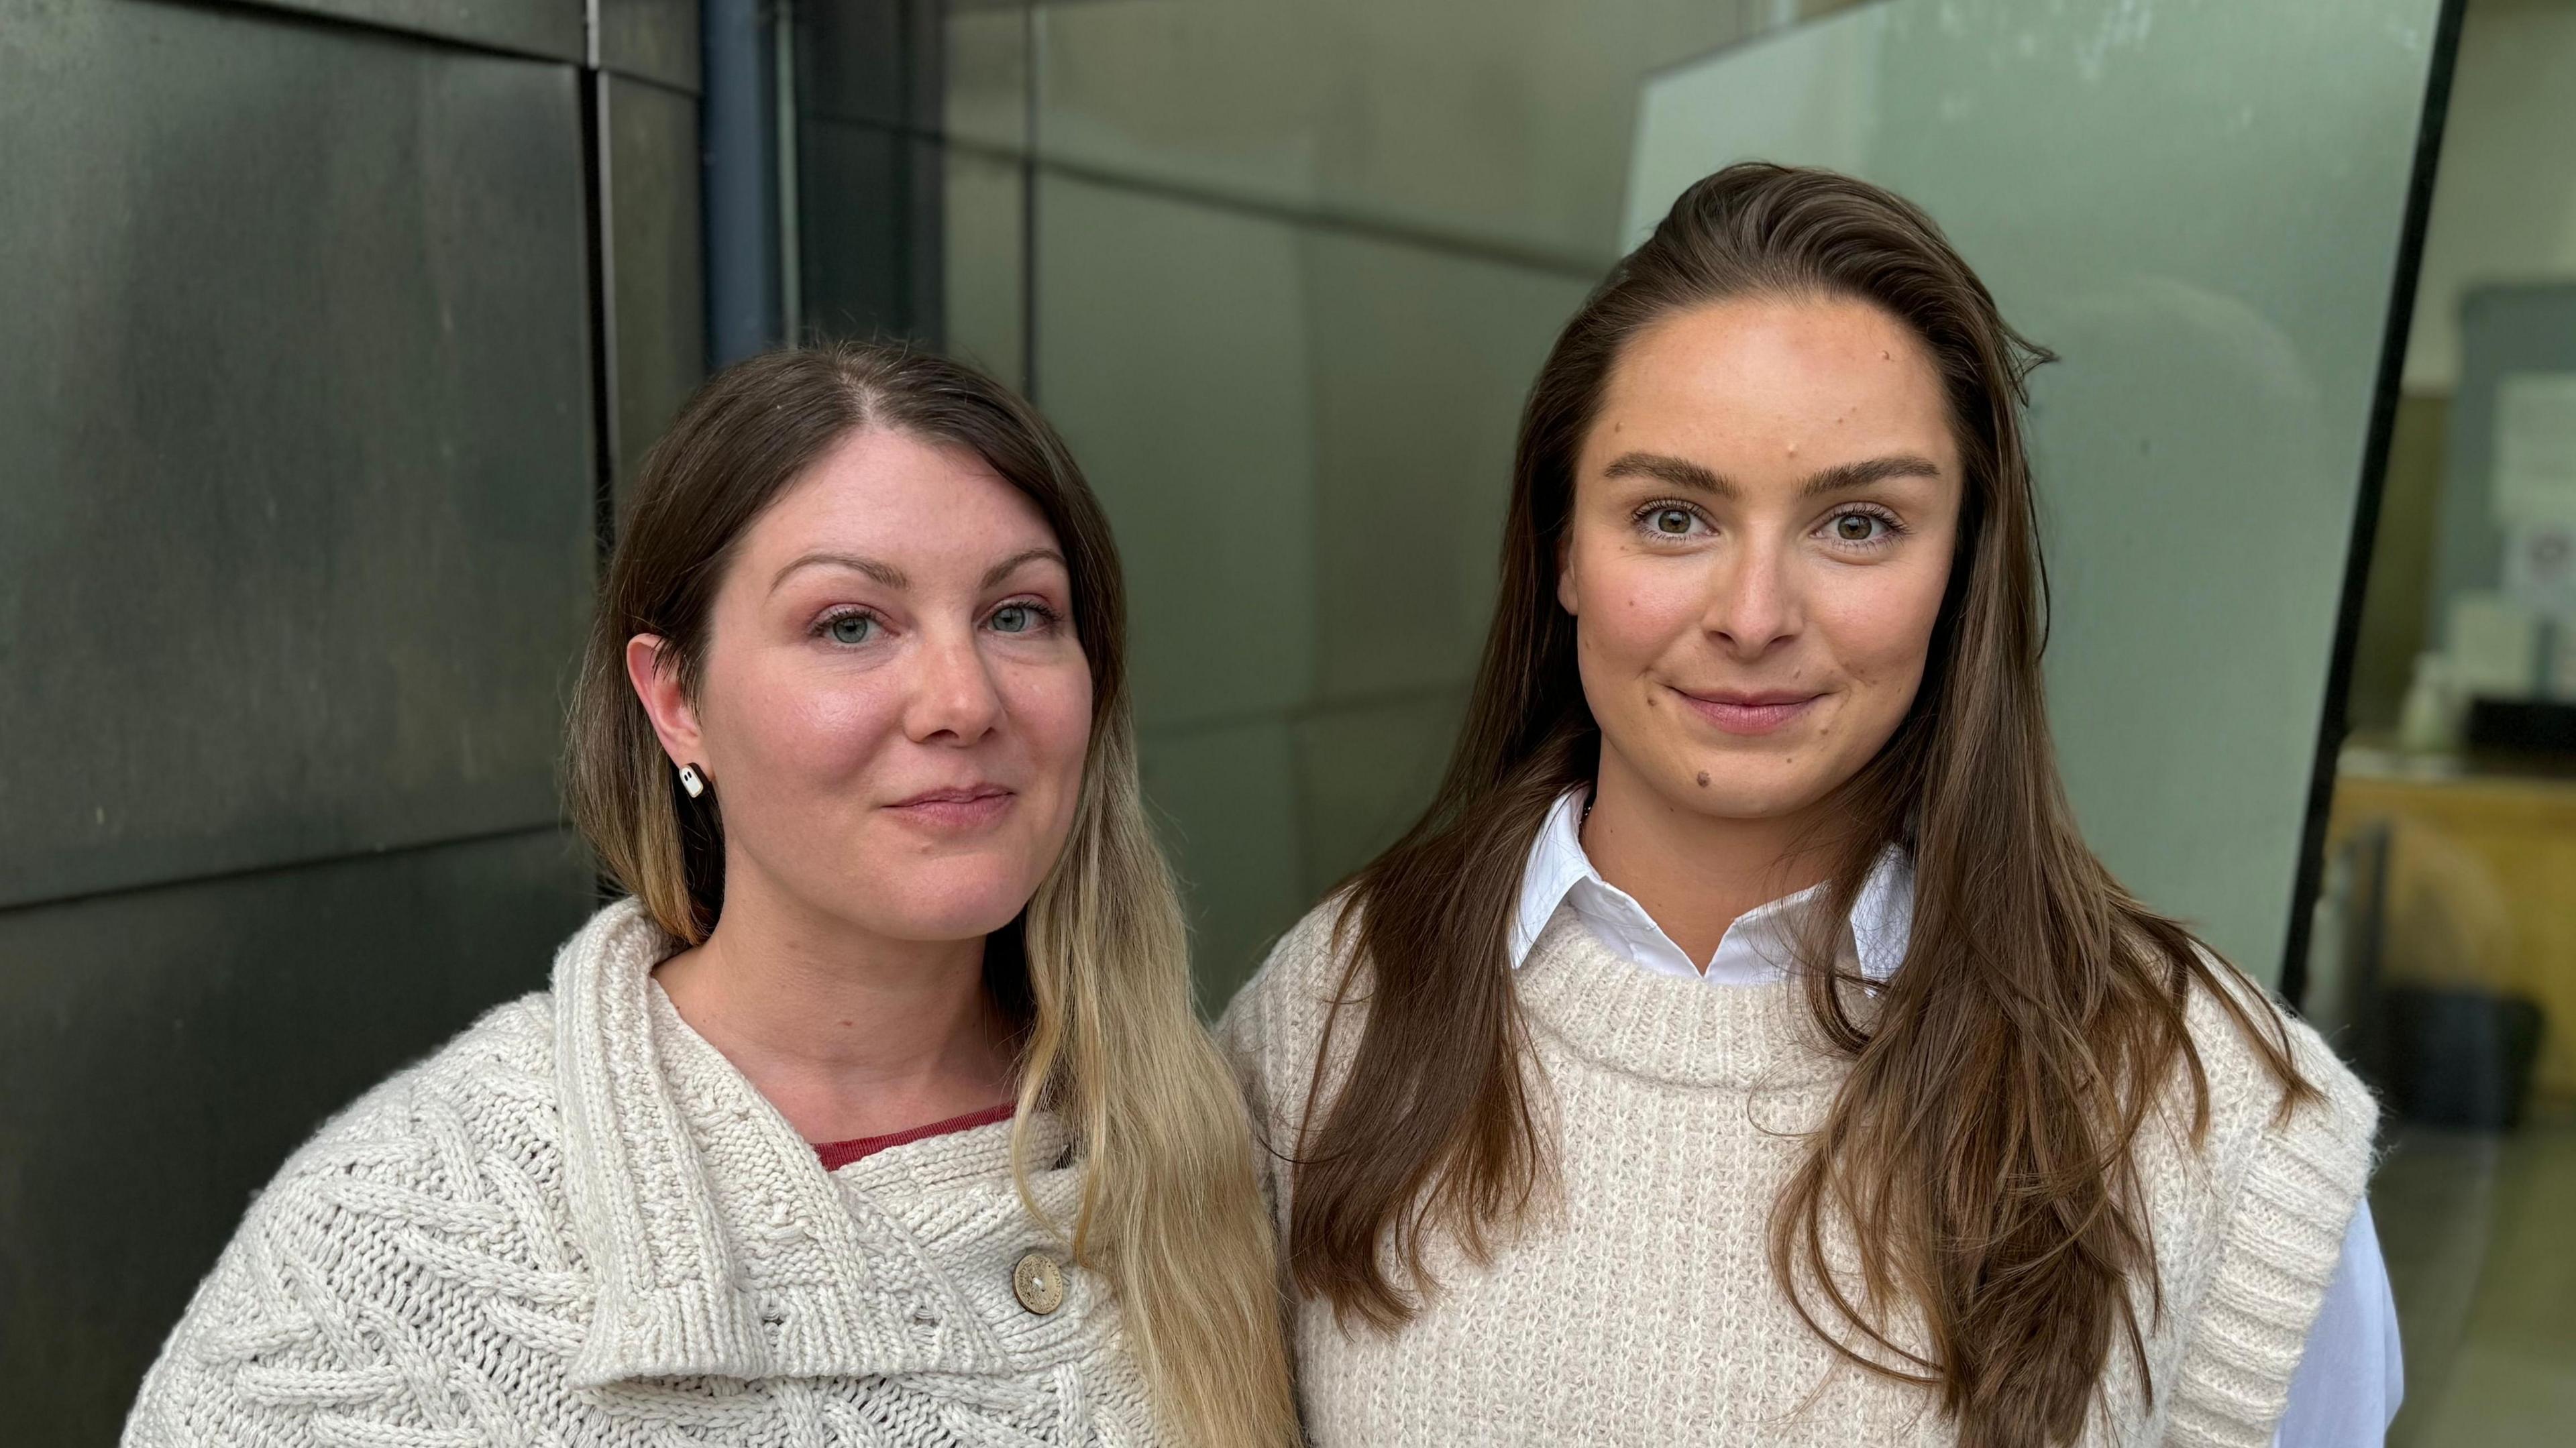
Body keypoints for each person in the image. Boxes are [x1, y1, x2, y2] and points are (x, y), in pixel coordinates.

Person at [1220, 164, 2396, 1447]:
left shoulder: (2209, 1115)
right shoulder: (1331, 1011)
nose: (1754, 616)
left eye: (1858, 524)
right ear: (1563, 551)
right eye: (1671, 516)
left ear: (1964, 571)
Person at [126, 345, 1298, 1448]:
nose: (963, 699)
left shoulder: (1224, 1147)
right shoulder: (406, 1243)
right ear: (676, 698)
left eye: (1017, 615)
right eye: (850, 623)